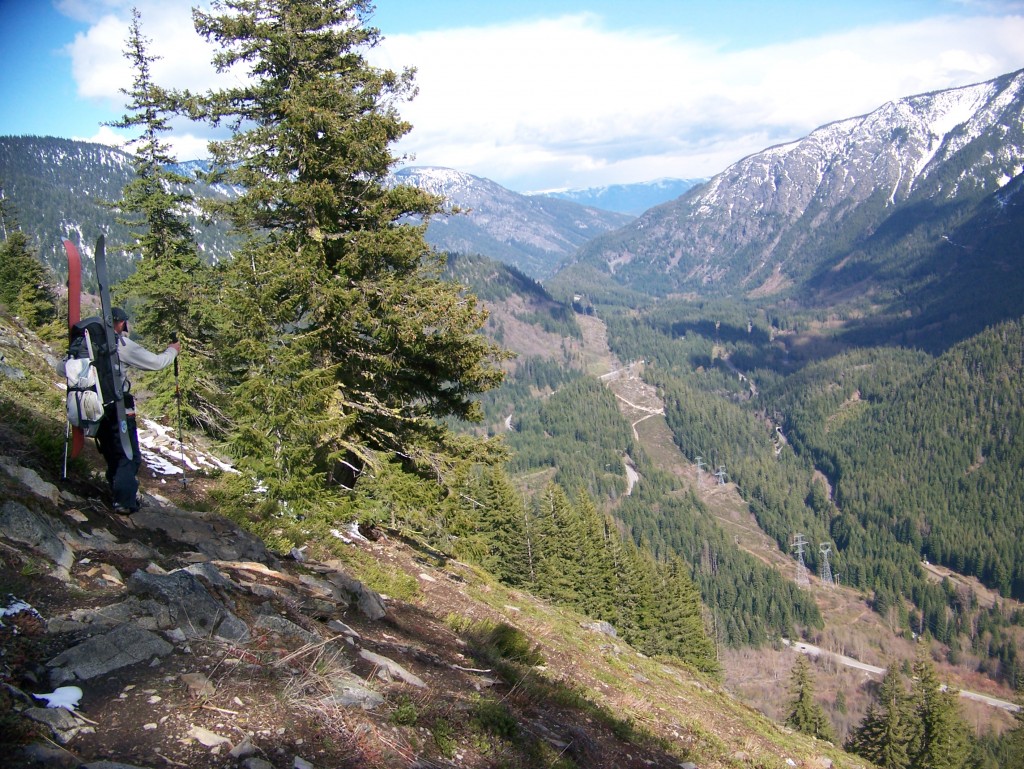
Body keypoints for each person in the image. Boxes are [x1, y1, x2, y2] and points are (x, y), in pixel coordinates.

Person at [95, 307, 180, 514]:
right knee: (128, 455)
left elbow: (61, 369)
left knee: (111, 451)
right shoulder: (120, 345)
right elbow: (156, 362)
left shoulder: (87, 343)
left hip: (92, 407)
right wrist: (173, 350)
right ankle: (124, 502)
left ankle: (115, 491)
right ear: (122, 323)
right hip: (118, 406)